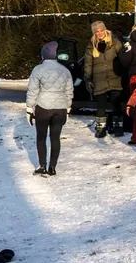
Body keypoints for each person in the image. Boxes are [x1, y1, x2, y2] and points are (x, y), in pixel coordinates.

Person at [25, 40, 74, 176]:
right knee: (55, 138)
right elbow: (69, 91)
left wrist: (29, 107)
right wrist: (68, 107)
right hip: (60, 108)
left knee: (41, 137)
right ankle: (53, 167)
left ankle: (42, 165)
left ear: (43, 55)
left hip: (43, 107)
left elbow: (33, 90)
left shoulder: (38, 70)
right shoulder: (65, 71)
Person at [84, 21, 123, 138]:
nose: (99, 33)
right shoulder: (91, 46)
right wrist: (88, 78)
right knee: (101, 106)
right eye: (97, 32)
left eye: (101, 30)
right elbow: (88, 64)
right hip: (99, 79)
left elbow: (122, 59)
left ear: (105, 30)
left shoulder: (115, 43)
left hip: (115, 77)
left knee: (116, 103)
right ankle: (101, 129)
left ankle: (118, 127)